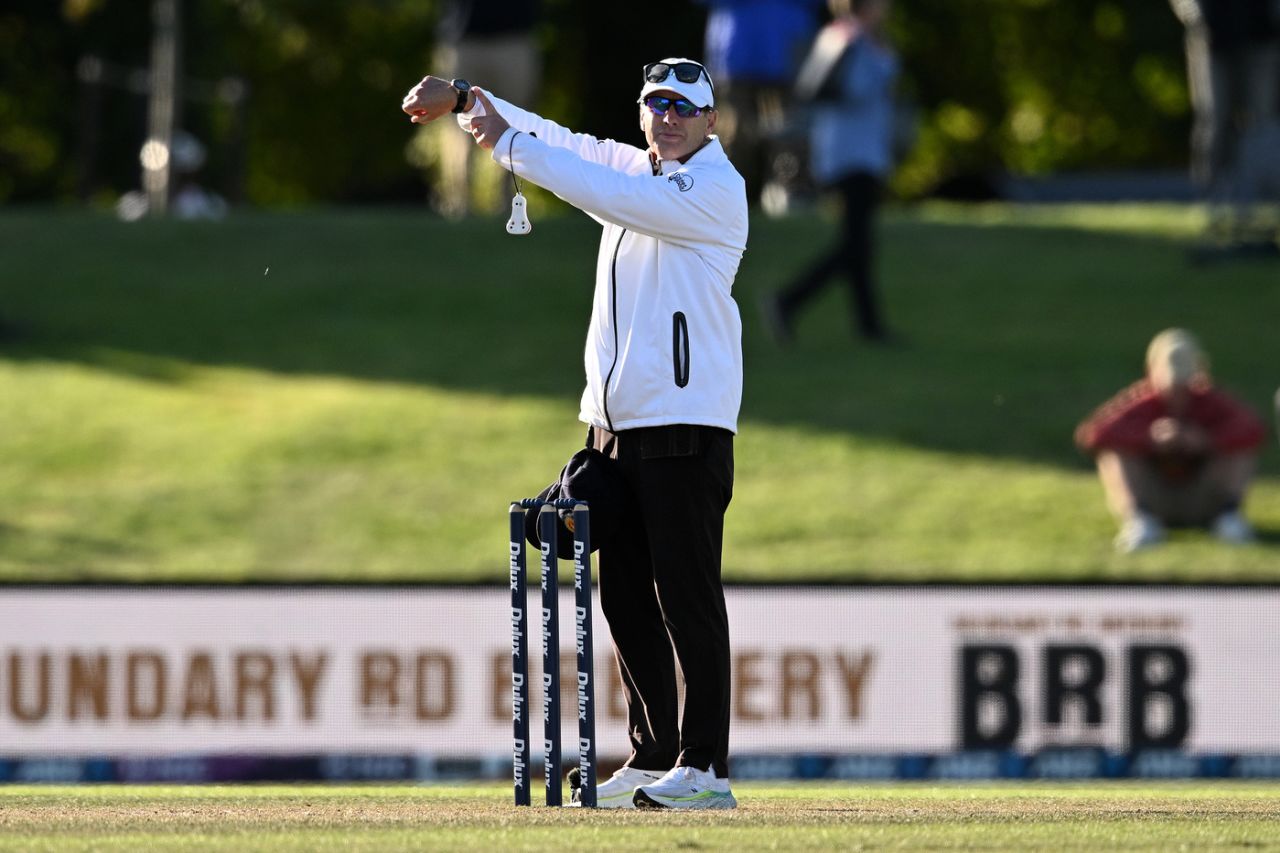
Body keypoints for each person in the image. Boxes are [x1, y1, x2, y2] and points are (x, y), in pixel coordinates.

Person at [402, 58, 748, 809]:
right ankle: (652, 753)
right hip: (615, 429)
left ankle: (706, 767)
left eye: (686, 109)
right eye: (657, 104)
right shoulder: (639, 168)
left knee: (686, 595)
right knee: (623, 595)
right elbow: (564, 140)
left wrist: (507, 148)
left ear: (711, 122)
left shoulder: (716, 189)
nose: (670, 117)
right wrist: (468, 99)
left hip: (687, 424)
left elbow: (600, 187)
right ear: (643, 111)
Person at [760, 0, 898, 344]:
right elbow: (812, 87)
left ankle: (869, 327)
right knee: (855, 245)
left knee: (858, 245)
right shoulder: (842, 38)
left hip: (869, 151)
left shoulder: (870, 40)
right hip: (847, 152)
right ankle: (787, 301)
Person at [1075, 329, 1265, 553]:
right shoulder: (1140, 401)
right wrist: (1148, 439)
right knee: (1114, 454)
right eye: (1171, 386)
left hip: (1202, 497)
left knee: (1241, 451)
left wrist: (1205, 441)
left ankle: (1228, 517)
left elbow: (1255, 430)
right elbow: (1093, 434)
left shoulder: (1212, 400)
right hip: (1155, 499)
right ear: (1151, 372)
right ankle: (1140, 521)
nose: (1177, 393)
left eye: (1184, 385)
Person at [1167, 0, 1280, 253]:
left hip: (1262, 33)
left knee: (1261, 128)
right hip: (1211, 36)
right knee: (1213, 122)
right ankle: (1212, 206)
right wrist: (1192, 11)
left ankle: (1260, 211)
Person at [697, 0, 825, 205]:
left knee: (789, 139)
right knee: (733, 137)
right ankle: (723, 199)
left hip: (787, 58)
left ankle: (789, 201)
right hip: (736, 61)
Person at [429, 0, 542, 218]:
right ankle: (458, 207)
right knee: (458, 127)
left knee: (517, 125)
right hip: (464, 38)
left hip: (515, 38)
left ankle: (511, 207)